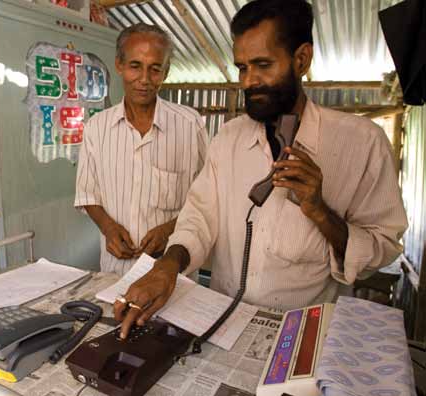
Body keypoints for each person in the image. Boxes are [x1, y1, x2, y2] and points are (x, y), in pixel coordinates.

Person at [114, 0, 408, 338]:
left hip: (300, 335)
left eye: (263, 65)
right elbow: (199, 218)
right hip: (220, 327)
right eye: (241, 68)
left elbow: (381, 248)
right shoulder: (228, 138)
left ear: (301, 59)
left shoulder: (362, 143)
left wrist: (320, 212)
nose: (248, 81)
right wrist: (168, 265)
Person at [75, 23, 208, 275]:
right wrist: (108, 228)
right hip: (114, 271)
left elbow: (208, 200)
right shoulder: (96, 128)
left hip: (172, 273)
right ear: (120, 66)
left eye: (155, 69)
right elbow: (87, 195)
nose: (144, 80)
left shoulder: (190, 125)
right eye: (135, 66)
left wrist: (169, 230)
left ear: (166, 72)